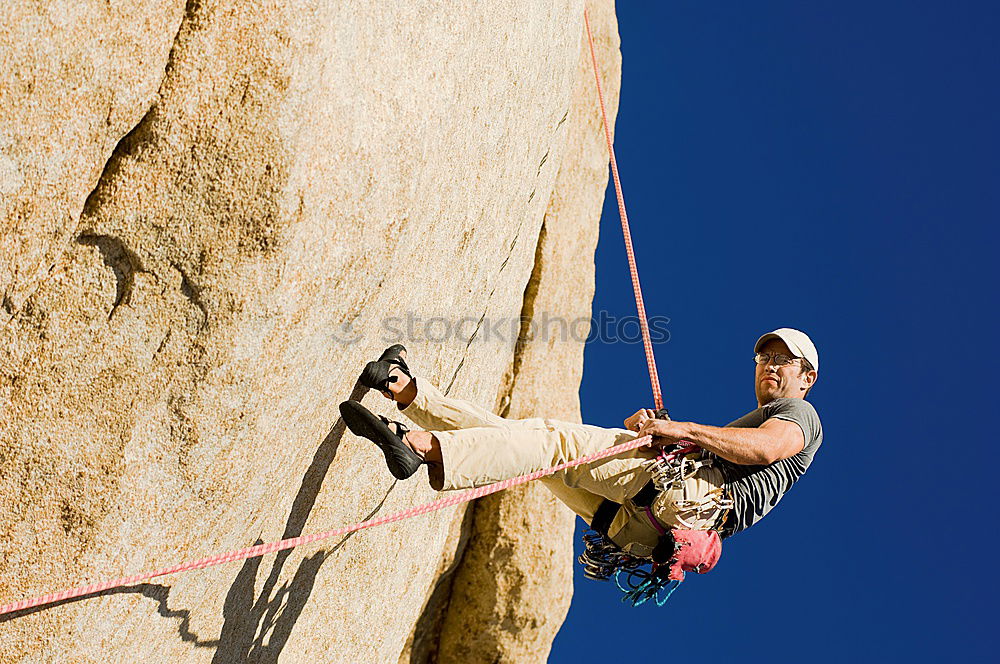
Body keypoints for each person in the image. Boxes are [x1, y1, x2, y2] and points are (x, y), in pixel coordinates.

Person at [339, 328, 822, 556]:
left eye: (784, 360)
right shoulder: (756, 421)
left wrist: (681, 431)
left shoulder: (801, 415)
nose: (770, 366)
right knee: (528, 446)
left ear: (808, 377)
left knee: (549, 441)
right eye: (764, 358)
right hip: (644, 531)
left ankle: (419, 446)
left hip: (683, 496)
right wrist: (666, 429)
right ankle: (404, 387)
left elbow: (765, 449)